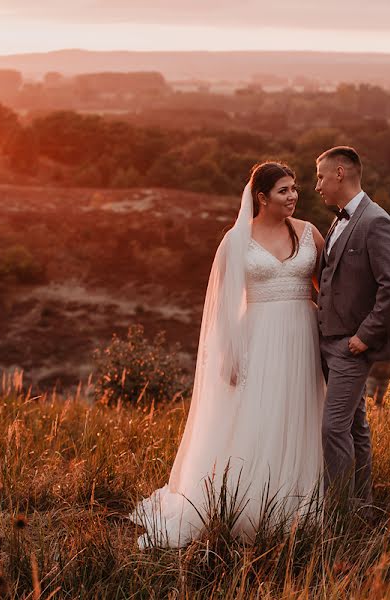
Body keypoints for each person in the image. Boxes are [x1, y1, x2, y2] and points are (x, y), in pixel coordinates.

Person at [129, 162, 327, 548]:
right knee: (260, 415)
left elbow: (326, 287)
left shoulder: (309, 233)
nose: (293, 196)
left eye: (295, 189)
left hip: (303, 335)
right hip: (259, 339)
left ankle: (302, 498)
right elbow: (221, 308)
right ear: (262, 197)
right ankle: (249, 503)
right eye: (284, 190)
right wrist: (229, 354)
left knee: (299, 411)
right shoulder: (235, 242)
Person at [314, 146, 390, 511]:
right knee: (354, 427)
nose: (317, 185)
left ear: (340, 173)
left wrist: (364, 336)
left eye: (321, 176)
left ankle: (337, 514)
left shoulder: (375, 221)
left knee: (333, 429)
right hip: (329, 341)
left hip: (351, 347)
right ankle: (361, 505)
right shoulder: (338, 219)